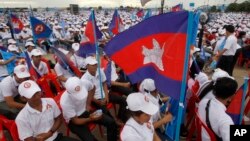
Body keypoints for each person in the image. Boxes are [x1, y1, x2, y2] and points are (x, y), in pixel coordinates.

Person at [61, 77, 118, 141]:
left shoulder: (84, 82)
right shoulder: (65, 102)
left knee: (111, 122)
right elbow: (76, 121)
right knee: (90, 139)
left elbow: (93, 88)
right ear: (69, 92)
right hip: (73, 120)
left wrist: (88, 104)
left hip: (85, 110)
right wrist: (90, 119)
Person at [81, 56, 128, 124]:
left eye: (96, 64)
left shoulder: (99, 70)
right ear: (87, 66)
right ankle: (114, 123)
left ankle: (120, 118)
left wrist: (106, 96)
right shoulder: (84, 79)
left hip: (105, 93)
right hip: (96, 99)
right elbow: (88, 95)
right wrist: (98, 102)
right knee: (106, 113)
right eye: (92, 65)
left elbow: (104, 83)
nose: (95, 66)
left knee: (124, 101)